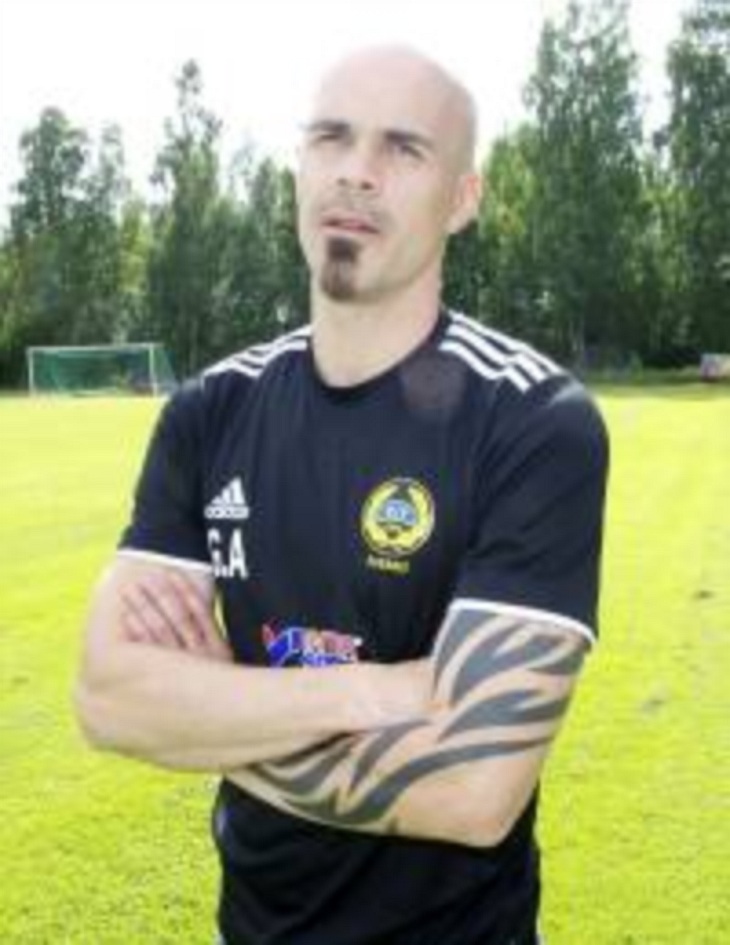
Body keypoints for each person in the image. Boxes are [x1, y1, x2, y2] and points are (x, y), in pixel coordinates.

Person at [75, 45, 609, 945]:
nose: (356, 171)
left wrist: (209, 713)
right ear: (300, 166)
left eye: (403, 147)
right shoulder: (212, 410)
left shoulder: (532, 419)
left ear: (463, 199)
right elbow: (107, 697)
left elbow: (472, 788)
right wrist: (378, 691)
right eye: (331, 137)